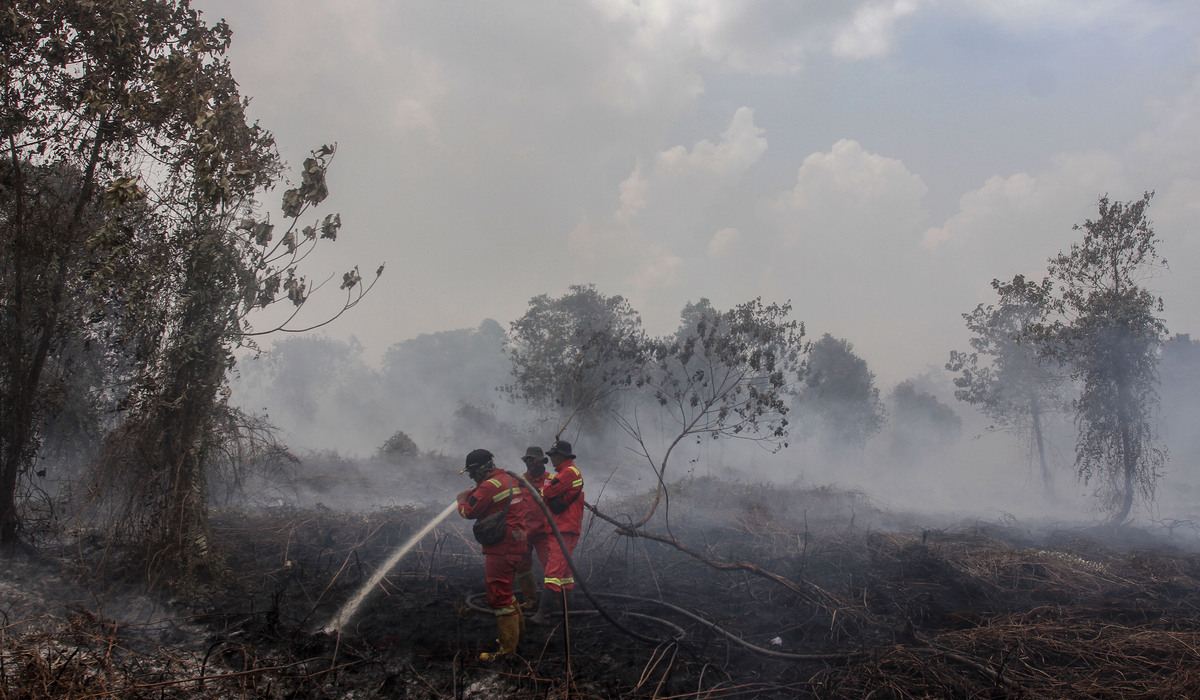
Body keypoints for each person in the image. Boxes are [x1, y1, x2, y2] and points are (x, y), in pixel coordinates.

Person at [456, 448, 531, 660]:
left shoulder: (490, 485)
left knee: (499, 595)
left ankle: (507, 651)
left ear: (480, 468)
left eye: (471, 472)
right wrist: (473, 493)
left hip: (502, 546)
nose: (471, 476)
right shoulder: (506, 478)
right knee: (506, 590)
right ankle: (518, 638)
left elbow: (468, 512)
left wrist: (461, 500)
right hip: (516, 541)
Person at [529, 439, 585, 625]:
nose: (551, 459)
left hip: (564, 528)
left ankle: (543, 613)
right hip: (564, 527)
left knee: (553, 572)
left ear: (562, 456)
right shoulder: (566, 472)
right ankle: (568, 608)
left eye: (553, 456)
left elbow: (547, 493)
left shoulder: (568, 473)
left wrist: (541, 490)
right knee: (565, 571)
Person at [516, 446, 551, 610]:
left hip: (544, 533)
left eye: (534, 460)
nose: (531, 464)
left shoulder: (550, 480)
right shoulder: (519, 481)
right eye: (528, 461)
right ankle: (530, 599)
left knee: (551, 567)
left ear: (542, 462)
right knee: (522, 566)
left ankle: (554, 600)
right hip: (523, 532)